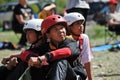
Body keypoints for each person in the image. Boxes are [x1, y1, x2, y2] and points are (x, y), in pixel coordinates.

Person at [27, 15, 87, 80]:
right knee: (34, 65)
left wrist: (45, 57)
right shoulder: (46, 46)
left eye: (62, 28)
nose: (61, 31)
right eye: (56, 29)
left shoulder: (71, 42)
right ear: (48, 34)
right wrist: (30, 59)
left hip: (74, 77)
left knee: (61, 62)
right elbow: (26, 53)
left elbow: (67, 51)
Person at [64, 12, 93, 80]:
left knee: (82, 75)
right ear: (69, 27)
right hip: (65, 68)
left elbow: (86, 60)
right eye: (77, 24)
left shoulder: (84, 38)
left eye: (81, 23)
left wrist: (90, 78)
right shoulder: (63, 40)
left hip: (76, 66)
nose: (81, 26)